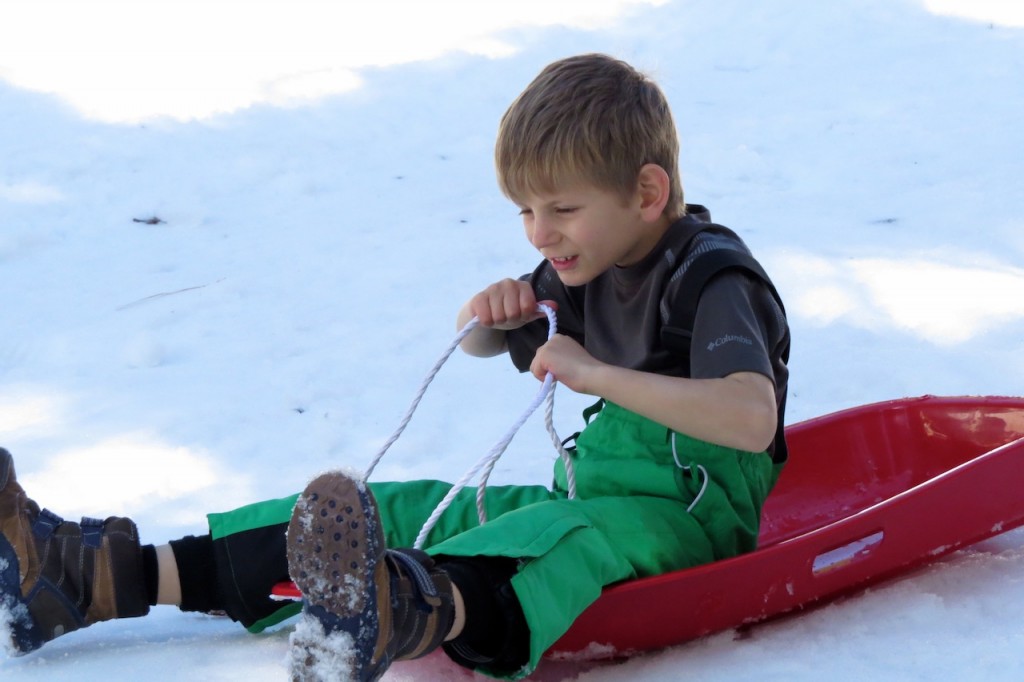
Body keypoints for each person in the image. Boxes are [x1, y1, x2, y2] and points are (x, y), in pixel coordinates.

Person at [0, 53, 790, 681]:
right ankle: (102, 575)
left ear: (647, 192)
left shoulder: (712, 279)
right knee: (393, 508)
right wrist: (491, 314)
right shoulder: (594, 257)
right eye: (525, 210)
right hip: (595, 497)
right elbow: (483, 343)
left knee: (556, 533)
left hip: (686, 526)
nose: (539, 234)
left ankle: (395, 608)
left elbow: (751, 419)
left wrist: (598, 376)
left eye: (560, 208)